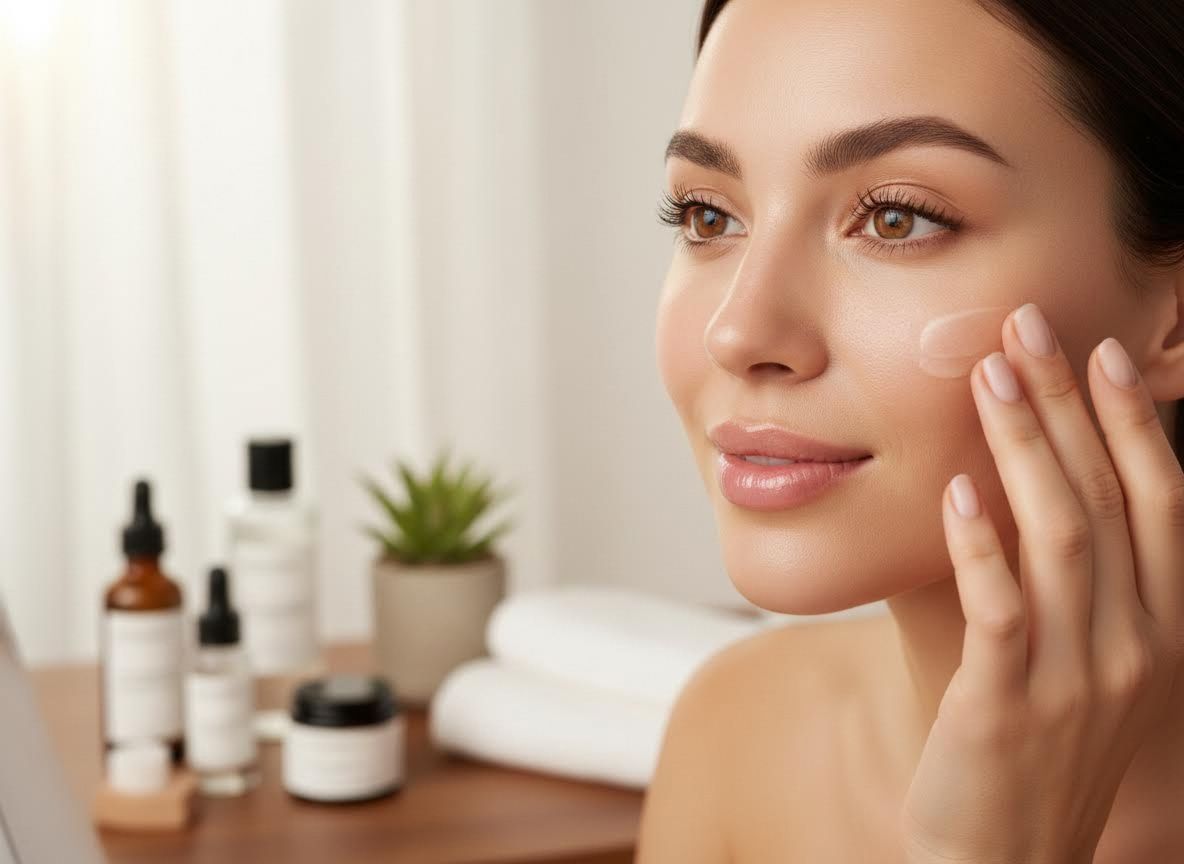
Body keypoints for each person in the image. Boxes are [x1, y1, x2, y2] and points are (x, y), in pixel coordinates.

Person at [636, 0, 1184, 861]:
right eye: (709, 216)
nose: (739, 333)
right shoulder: (737, 733)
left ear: (1176, 319)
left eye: (897, 217)